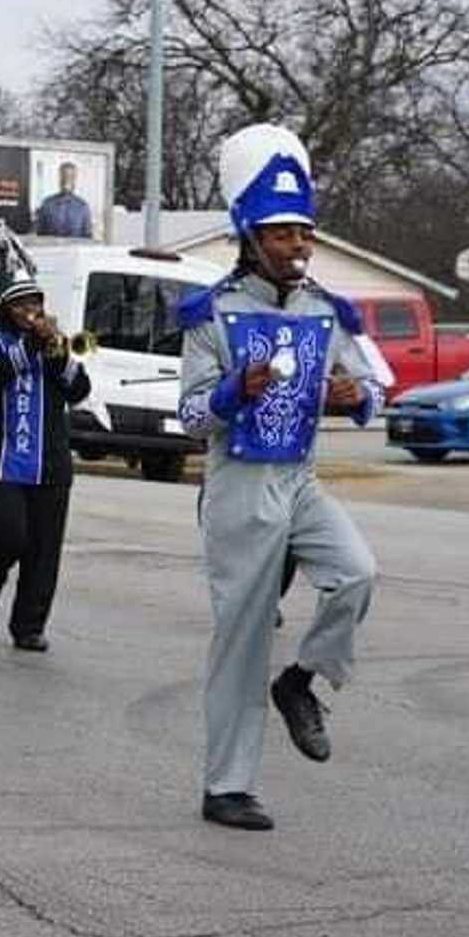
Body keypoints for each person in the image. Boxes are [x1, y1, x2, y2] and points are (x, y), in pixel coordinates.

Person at [178, 123, 384, 832]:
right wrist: (238, 388)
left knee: (357, 572)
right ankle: (226, 785)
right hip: (238, 486)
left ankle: (300, 681)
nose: (298, 246)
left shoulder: (328, 309)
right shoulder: (214, 314)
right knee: (239, 639)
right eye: (283, 234)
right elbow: (191, 417)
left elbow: (369, 384)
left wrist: (357, 398)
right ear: (250, 238)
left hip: (300, 479)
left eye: (305, 234)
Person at [0, 227, 91, 652]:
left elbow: (79, 390)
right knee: (6, 536)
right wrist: (30, 349)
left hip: (50, 462)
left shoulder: (53, 344)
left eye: (35, 301)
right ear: (3, 308)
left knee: (43, 550)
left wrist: (60, 356)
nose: (32, 310)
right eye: (21, 304)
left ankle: (29, 626)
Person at [33, 160, 93, 239]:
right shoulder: (47, 204)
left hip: (75, 250)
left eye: (71, 176)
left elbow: (88, 237)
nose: (67, 180)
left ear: (75, 179)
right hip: (51, 250)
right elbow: (40, 234)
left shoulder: (82, 207)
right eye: (64, 176)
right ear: (60, 177)